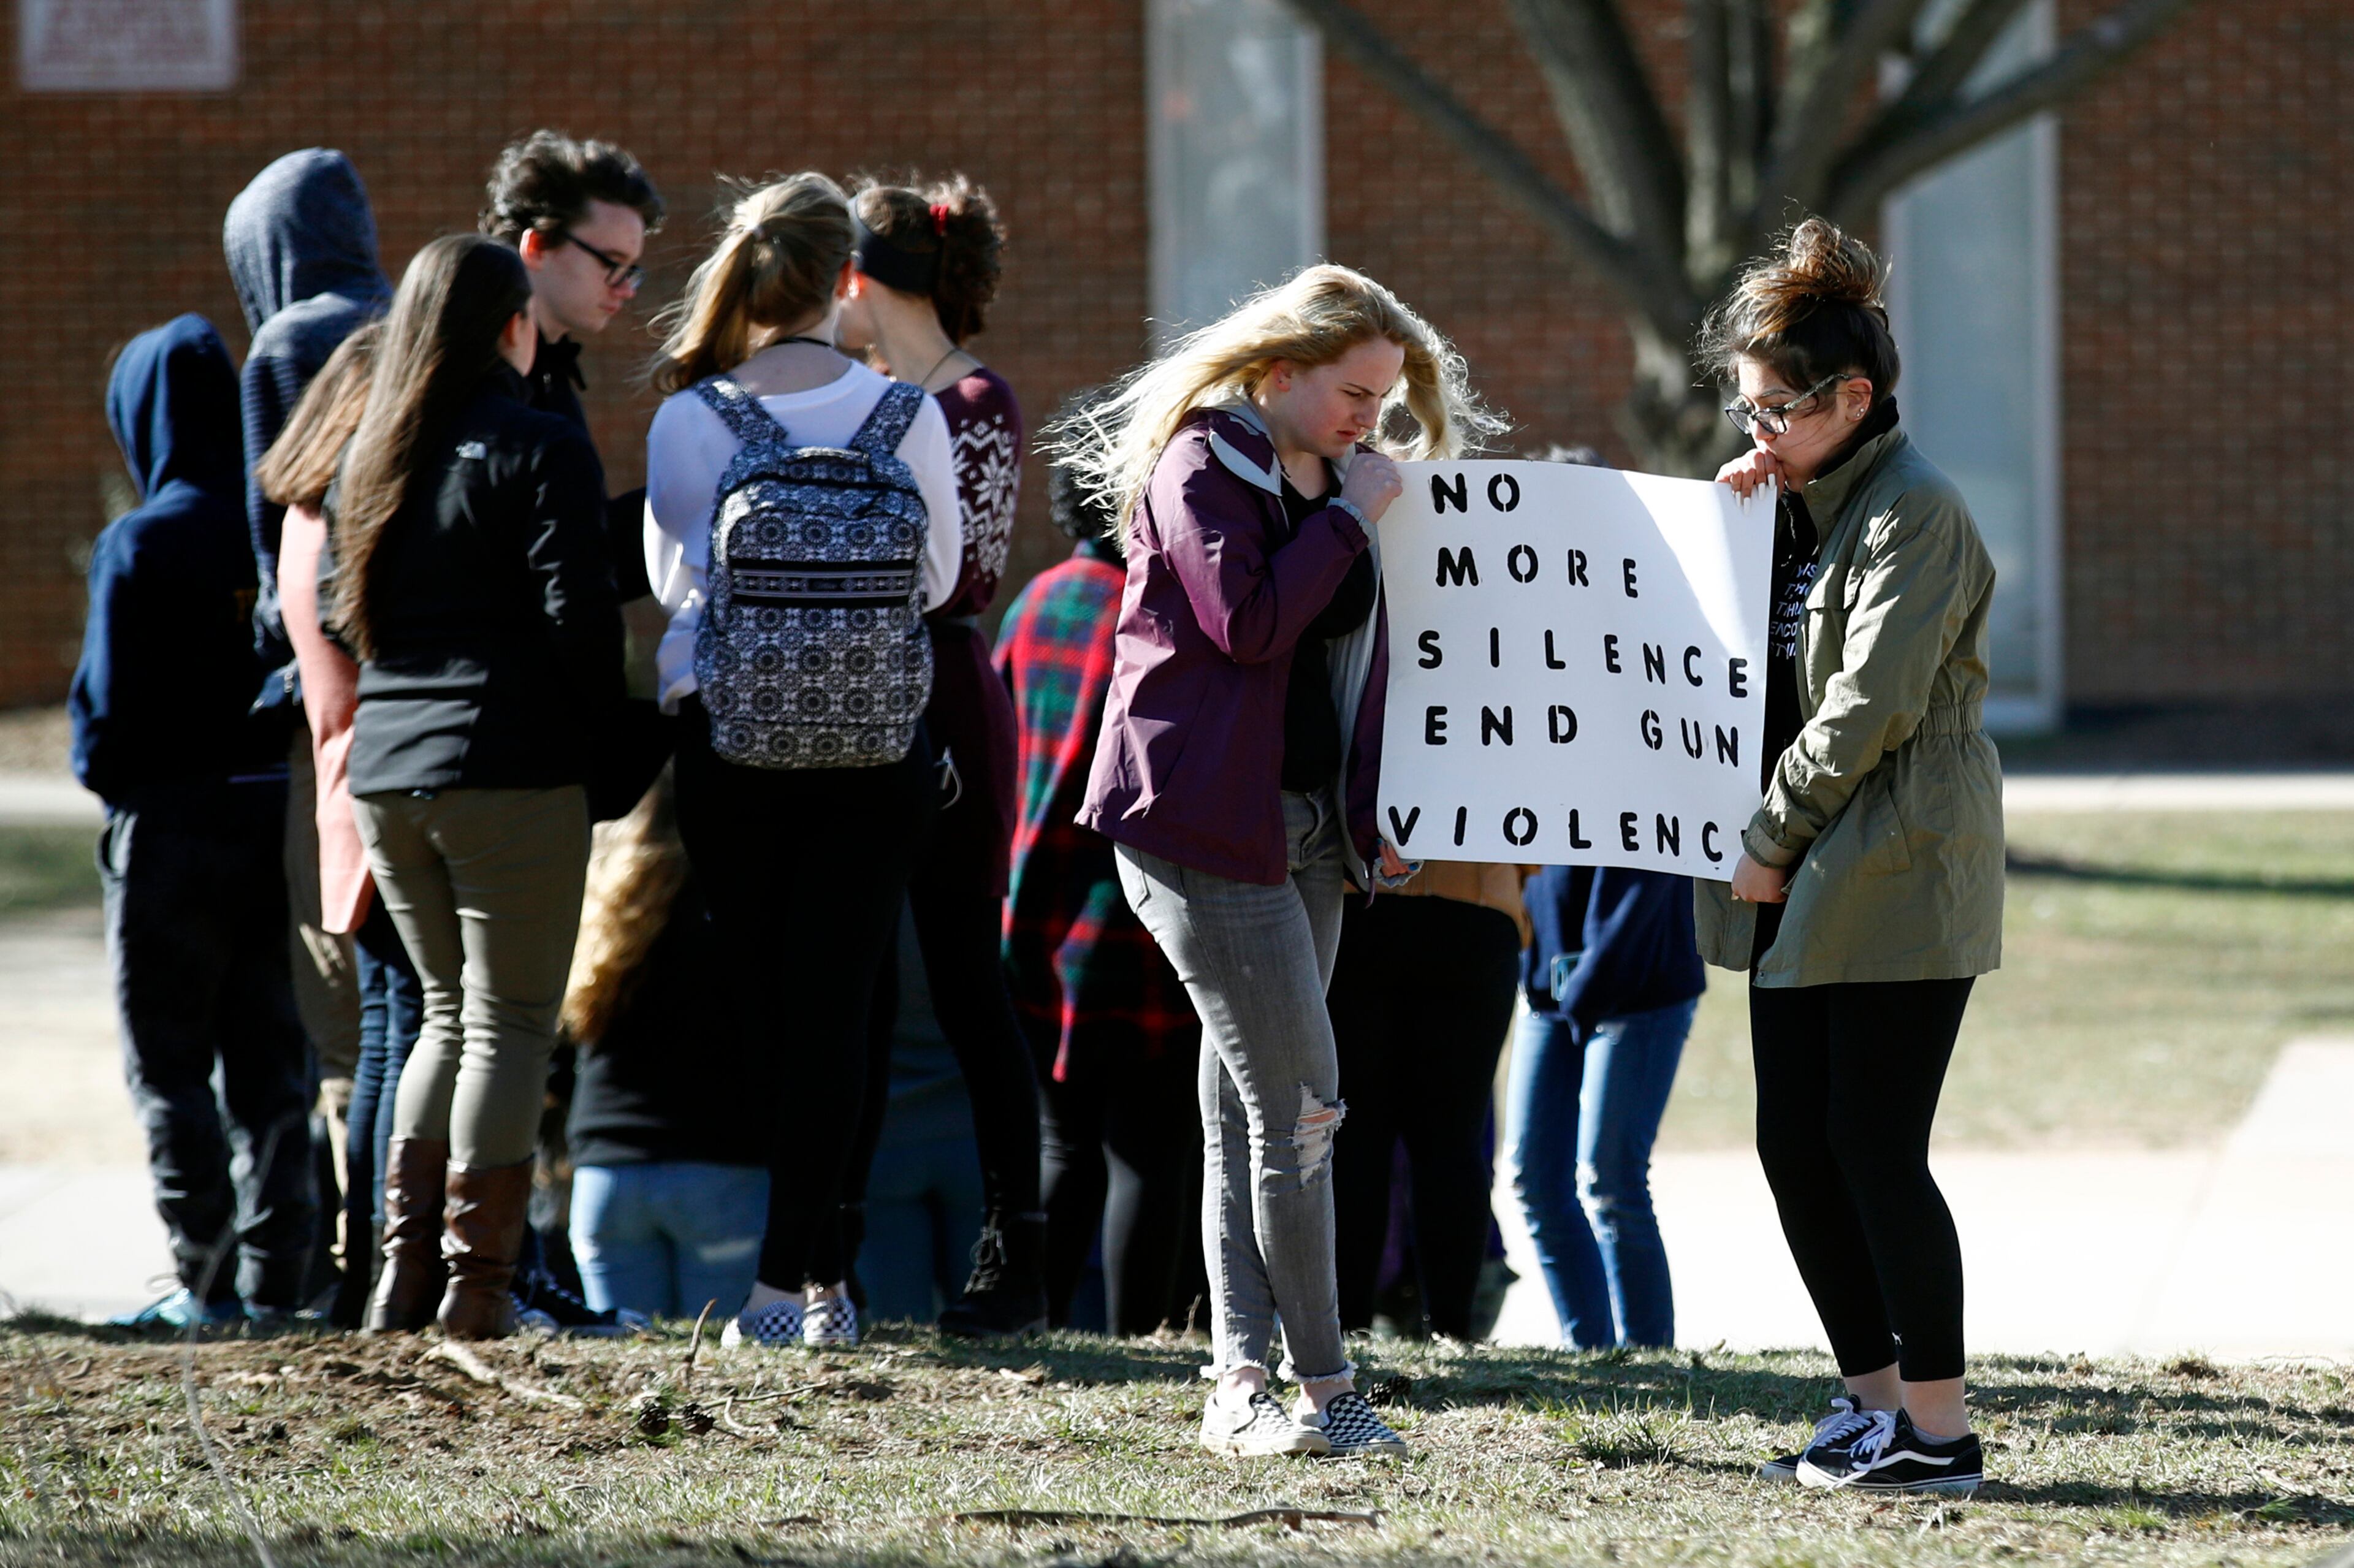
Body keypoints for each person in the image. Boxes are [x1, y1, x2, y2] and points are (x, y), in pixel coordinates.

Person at [1062, 263, 1498, 1458]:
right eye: (1355, 392)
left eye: (1386, 397)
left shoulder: (1327, 471)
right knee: (1303, 1109)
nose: (1373, 417)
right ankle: (1326, 1385)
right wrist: (1355, 512)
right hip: (1203, 832)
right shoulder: (1206, 462)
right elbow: (1249, 624)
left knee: (1247, 1114)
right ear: (1277, 373)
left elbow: (1355, 669)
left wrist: (1373, 811)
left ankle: (1238, 1379)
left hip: (1303, 828)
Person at [1698, 218, 2002, 1496]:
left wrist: (1763, 841)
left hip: (1892, 870)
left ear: (1853, 397)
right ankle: (1870, 1408)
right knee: (1795, 1147)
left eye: (1777, 409)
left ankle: (1940, 1434)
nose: (1756, 431)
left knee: (1875, 1148)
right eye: (1748, 408)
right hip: (1808, 876)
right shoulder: (1802, 508)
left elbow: (1867, 703)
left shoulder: (1916, 513)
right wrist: (1733, 530)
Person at [642, 172, 962, 1352]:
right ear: (845, 280)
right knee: (846, 1003)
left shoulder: (693, 418)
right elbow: (934, 584)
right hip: (877, 746)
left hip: (734, 745)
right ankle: (814, 1281)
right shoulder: (905, 414)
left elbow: (679, 588)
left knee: (770, 1004)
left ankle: (792, 1284)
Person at [329, 234, 623, 1341]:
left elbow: (332, 616)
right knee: (507, 1021)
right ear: (513, 326)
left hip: (387, 772)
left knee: (445, 1015)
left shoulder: (368, 454)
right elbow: (582, 626)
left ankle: (400, 1285)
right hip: (506, 770)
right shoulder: (538, 444)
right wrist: (616, 739)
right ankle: (478, 1292)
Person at [70, 316, 315, 1329]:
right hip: (275, 821)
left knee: (170, 1062)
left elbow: (103, 717)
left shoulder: (141, 540)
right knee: (275, 1066)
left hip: (171, 835)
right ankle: (285, 1279)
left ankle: (204, 1281)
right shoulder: (281, 519)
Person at [832, 174, 1045, 1336]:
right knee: (855, 986)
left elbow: (962, 576)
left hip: (943, 689)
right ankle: (834, 1258)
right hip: (869, 690)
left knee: (968, 977)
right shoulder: (855, 391)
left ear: (863, 279)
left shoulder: (973, 398)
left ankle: (1016, 1251)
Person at [478, 128, 670, 1319]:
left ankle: (499, 1270)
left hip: (519, 751)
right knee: (458, 1019)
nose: (625, 289)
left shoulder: (549, 374)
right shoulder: (480, 381)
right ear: (534, 246)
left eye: (637, 267)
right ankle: (463, 1281)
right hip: (483, 749)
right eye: (610, 262)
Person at [996, 405, 1205, 1335]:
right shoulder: (1157, 611)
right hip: (1136, 912)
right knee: (1152, 1150)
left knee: (1062, 1140)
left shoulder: (1033, 603)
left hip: (1033, 918)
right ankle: (1139, 1338)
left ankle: (1043, 1322)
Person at [225, 147, 392, 1304]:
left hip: (329, 704)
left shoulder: (288, 345)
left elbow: (274, 533)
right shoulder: (409, 320)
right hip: (442, 689)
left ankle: (357, 1258)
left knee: (342, 987)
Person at [254, 327, 425, 1331]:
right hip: (381, 788)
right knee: (398, 1038)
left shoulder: (299, 510)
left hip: (338, 795)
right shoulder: (349, 518)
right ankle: (377, 1271)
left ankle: (363, 1270)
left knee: (377, 1042)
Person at [560, 771, 771, 1323]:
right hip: (721, 1169)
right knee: (719, 1376)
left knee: (626, 1375)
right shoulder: (744, 896)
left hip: (607, 1175)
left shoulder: (601, 903)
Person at [1327, 861, 1526, 1341]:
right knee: (1452, 1143)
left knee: (1357, 1141)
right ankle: (1453, 1333)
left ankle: (1348, 1328)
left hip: (1358, 897)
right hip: (1478, 905)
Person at [1505, 864, 1701, 1348]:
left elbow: (1652, 867)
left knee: (1611, 1180)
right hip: (1544, 986)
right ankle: (1590, 1355)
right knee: (1534, 1179)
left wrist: (1595, 973)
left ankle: (1650, 1357)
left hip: (1644, 982)